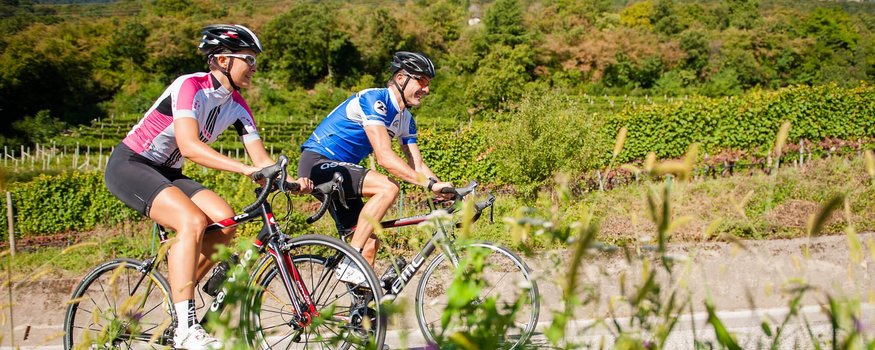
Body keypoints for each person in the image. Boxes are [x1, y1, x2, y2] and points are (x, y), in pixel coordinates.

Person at [104, 24, 312, 349]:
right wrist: (244, 169)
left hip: (168, 171)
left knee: (225, 221)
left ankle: (179, 297)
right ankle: (187, 327)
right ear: (223, 60)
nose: (254, 67)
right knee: (193, 221)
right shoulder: (189, 86)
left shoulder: (238, 105)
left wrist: (288, 181)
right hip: (131, 164)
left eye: (255, 60)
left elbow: (260, 158)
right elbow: (188, 146)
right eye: (248, 59)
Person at [298, 51, 452, 287]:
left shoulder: (406, 119)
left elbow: (418, 164)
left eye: (428, 83)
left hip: (343, 172)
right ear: (401, 78)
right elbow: (384, 157)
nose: (427, 89)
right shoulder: (374, 100)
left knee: (370, 242)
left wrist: (443, 189)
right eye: (421, 81)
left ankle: (361, 315)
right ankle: (351, 260)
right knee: (388, 187)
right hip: (318, 162)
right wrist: (428, 184)